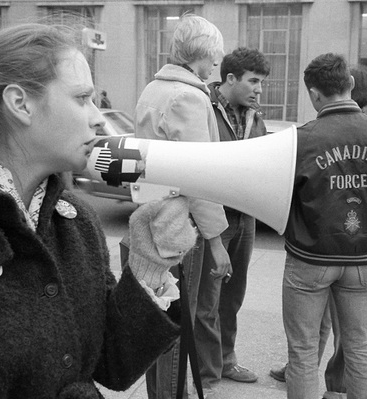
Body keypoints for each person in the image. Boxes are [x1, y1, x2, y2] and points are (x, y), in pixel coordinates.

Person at [0, 22, 195, 399]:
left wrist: (150, 264)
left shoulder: (75, 220)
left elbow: (113, 366)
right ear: (20, 104)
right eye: (82, 98)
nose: (98, 117)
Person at [281, 53, 367, 399]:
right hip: (362, 258)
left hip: (311, 257)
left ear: (315, 94)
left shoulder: (302, 139)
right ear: (349, 84)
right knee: (361, 349)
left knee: (303, 352)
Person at [134, 13, 232, 399]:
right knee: (177, 324)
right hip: (179, 226)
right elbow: (199, 178)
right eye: (215, 60)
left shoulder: (154, 90)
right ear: (201, 57)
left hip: (151, 217)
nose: (216, 68)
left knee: (158, 317)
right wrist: (217, 242)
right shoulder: (188, 97)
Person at [193, 47, 269, 392]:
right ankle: (207, 374)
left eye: (261, 83)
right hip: (215, 218)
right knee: (207, 300)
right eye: (254, 81)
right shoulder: (202, 107)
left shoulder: (256, 117)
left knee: (233, 295)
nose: (259, 89)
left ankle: (226, 360)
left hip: (245, 217)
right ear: (230, 79)